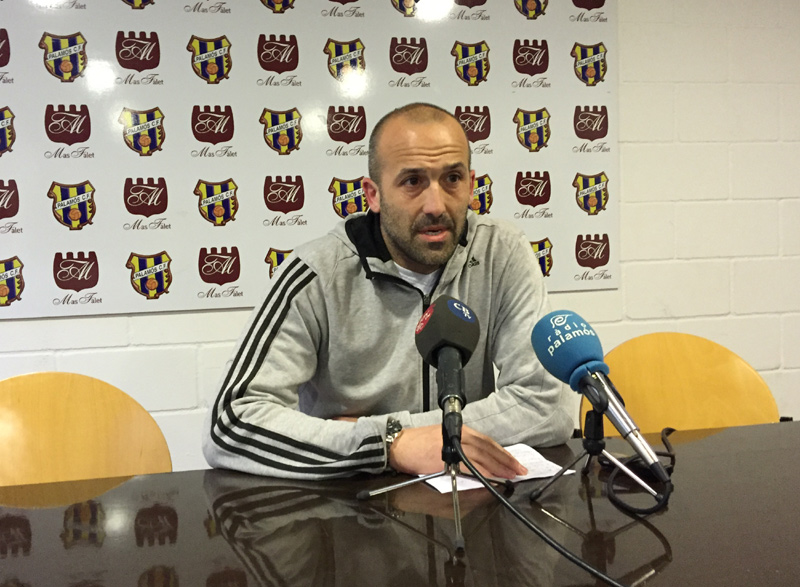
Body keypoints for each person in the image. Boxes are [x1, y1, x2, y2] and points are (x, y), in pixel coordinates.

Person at [203, 102, 574, 480]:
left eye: (452, 179)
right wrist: (387, 447)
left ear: (471, 184)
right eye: (412, 181)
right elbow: (230, 423)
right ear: (373, 194)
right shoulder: (315, 273)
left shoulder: (502, 252)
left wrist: (393, 432)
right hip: (348, 505)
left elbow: (548, 408)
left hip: (468, 500)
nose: (435, 205)